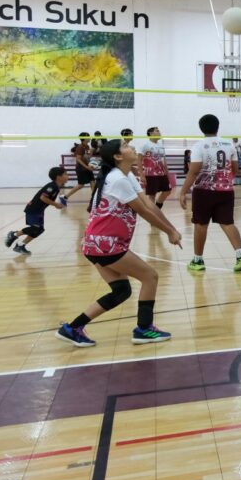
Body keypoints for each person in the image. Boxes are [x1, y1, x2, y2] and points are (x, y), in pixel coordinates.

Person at [55, 139, 182, 347]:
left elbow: (149, 204)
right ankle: (144, 329)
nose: (132, 147)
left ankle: (72, 328)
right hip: (107, 244)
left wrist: (172, 229)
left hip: (94, 243)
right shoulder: (118, 179)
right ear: (117, 156)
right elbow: (144, 211)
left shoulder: (126, 175)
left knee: (121, 291)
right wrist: (169, 231)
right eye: (125, 146)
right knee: (150, 277)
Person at [179, 114, 241, 272]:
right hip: (226, 190)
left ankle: (198, 261)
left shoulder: (198, 146)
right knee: (227, 223)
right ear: (218, 126)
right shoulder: (229, 144)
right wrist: (225, 181)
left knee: (201, 224)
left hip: (203, 191)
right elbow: (235, 169)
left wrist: (183, 192)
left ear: (201, 128)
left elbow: (193, 172)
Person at [5, 167, 69, 255]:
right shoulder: (52, 186)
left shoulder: (56, 187)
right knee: (36, 228)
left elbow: (48, 199)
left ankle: (20, 245)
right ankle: (14, 234)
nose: (68, 176)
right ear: (58, 177)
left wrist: (58, 204)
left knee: (39, 230)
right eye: (65, 174)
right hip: (33, 209)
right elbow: (43, 197)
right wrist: (56, 204)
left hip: (39, 210)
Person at [138, 126, 173, 209]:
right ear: (150, 133)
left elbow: (164, 161)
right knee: (152, 195)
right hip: (150, 174)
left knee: (167, 191)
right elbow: (138, 160)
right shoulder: (145, 145)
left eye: (159, 131)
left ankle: (157, 208)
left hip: (162, 173)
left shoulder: (161, 145)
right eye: (157, 131)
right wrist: (142, 175)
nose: (159, 132)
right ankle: (153, 213)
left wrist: (167, 174)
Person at [63, 132, 96, 203]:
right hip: (81, 169)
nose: (90, 138)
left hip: (87, 168)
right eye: (88, 136)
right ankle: (65, 197)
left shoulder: (87, 146)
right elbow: (78, 159)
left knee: (92, 181)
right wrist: (87, 167)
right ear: (84, 138)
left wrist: (91, 152)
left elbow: (88, 157)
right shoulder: (80, 147)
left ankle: (94, 198)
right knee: (81, 185)